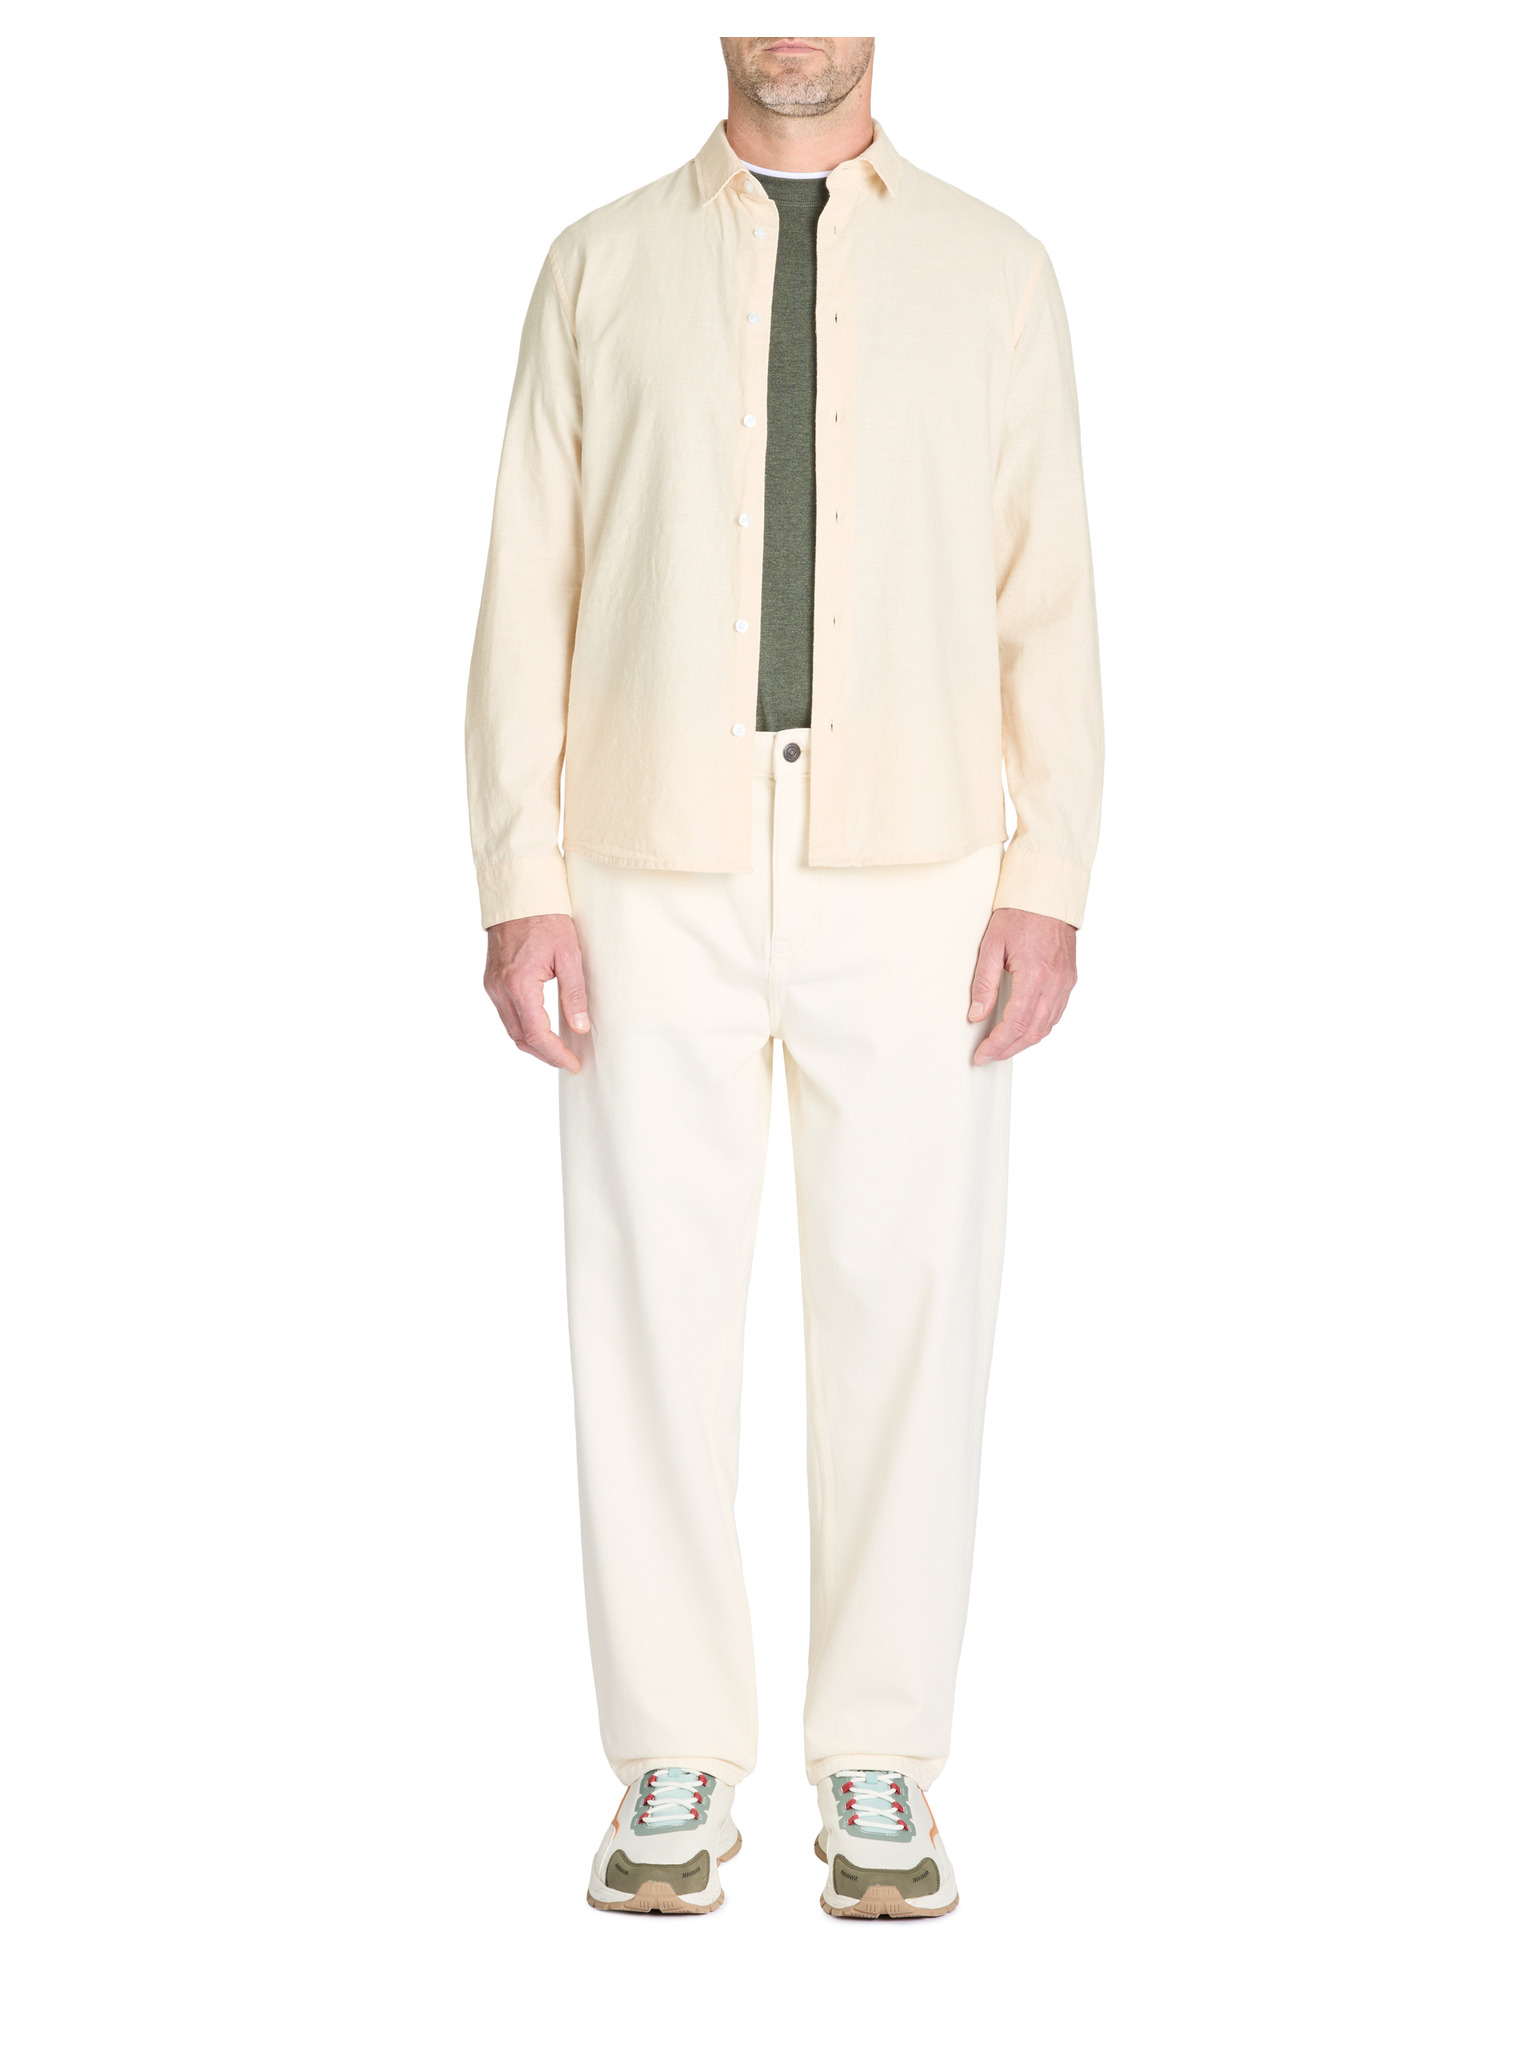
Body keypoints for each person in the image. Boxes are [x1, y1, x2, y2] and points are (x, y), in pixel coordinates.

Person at [465, 34, 1102, 1919]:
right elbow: (526, 584)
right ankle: (671, 1753)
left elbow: (1049, 588)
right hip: (644, 850)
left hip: (920, 864)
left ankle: (880, 1758)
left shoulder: (998, 271)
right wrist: (520, 874)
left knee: (911, 1309)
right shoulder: (597, 264)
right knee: (646, 1309)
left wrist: (1049, 872)